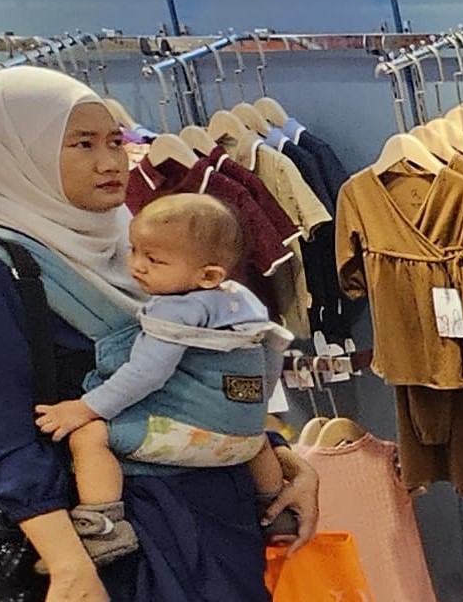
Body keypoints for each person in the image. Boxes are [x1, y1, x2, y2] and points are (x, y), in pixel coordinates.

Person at [0, 67, 326, 602]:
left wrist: (275, 453)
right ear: (19, 151)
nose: (109, 161)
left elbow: (202, 374)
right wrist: (71, 569)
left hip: (212, 521)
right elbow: (3, 442)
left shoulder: (132, 242)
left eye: (113, 140)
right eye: (80, 144)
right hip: (120, 537)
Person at [35, 192, 292, 552]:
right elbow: (272, 354)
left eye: (153, 259)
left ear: (208, 275)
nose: (137, 266)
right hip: (248, 441)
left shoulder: (173, 311)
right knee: (260, 442)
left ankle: (103, 528)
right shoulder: (241, 300)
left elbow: (146, 373)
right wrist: (252, 412)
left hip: (199, 436)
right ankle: (277, 513)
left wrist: (84, 408)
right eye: (134, 250)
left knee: (89, 436)